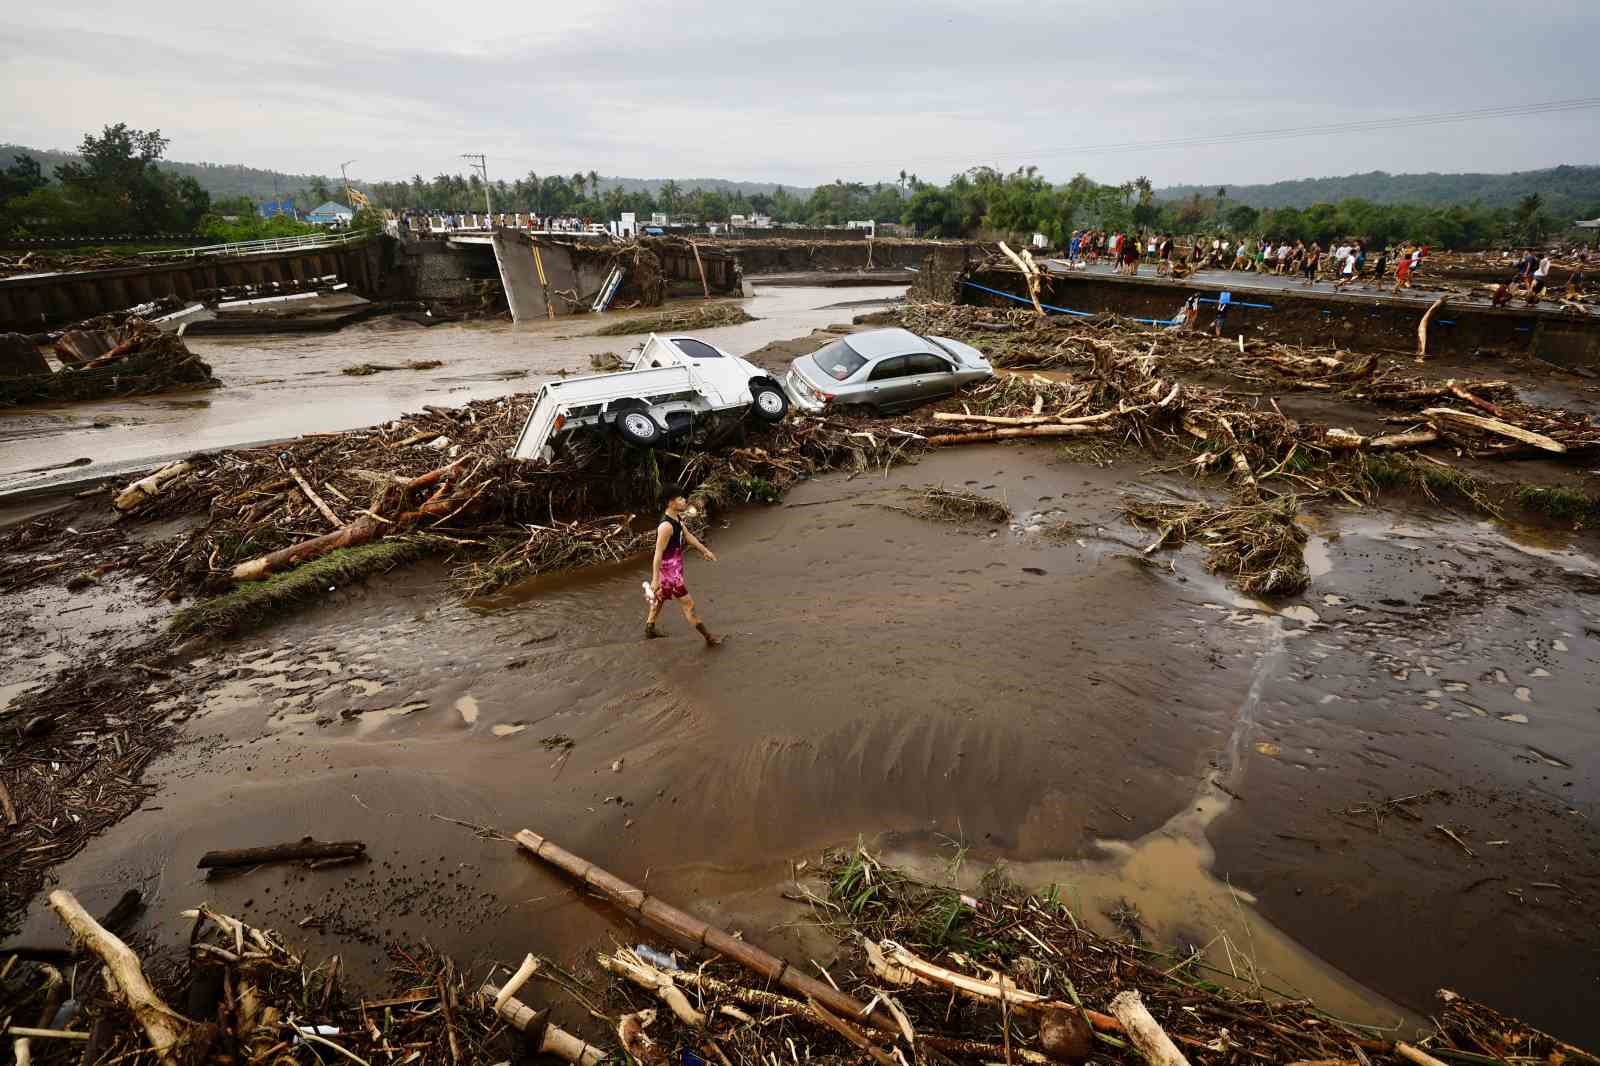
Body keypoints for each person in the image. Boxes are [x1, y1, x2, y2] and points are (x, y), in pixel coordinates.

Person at [645, 485, 723, 645]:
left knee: (660, 598)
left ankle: (650, 628)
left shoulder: (677, 519)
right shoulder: (666, 526)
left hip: (673, 570)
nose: (684, 501)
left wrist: (705, 551)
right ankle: (709, 638)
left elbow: (688, 536)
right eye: (680, 499)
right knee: (689, 605)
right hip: (670, 574)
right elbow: (657, 554)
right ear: (670, 503)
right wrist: (654, 579)